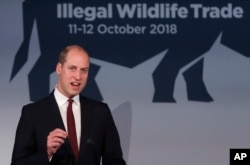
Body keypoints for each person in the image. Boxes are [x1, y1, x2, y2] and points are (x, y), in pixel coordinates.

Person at [11, 45, 126, 165]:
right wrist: (47, 153)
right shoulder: (33, 113)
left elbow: (115, 161)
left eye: (84, 70)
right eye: (72, 68)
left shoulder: (101, 112)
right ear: (59, 68)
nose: (78, 76)